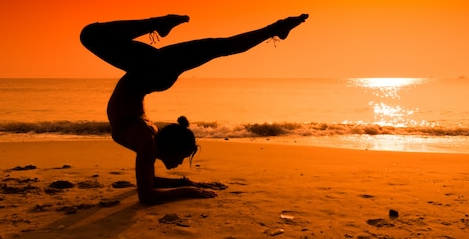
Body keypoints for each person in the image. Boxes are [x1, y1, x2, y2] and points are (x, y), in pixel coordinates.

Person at [80, 13, 308, 204]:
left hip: (152, 72)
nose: (180, 164)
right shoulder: (147, 140)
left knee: (90, 34)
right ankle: (275, 29)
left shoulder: (147, 141)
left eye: (181, 159)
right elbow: (147, 189)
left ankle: (276, 28)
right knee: (221, 46)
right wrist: (186, 187)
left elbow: (147, 190)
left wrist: (186, 186)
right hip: (152, 72)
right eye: (182, 158)